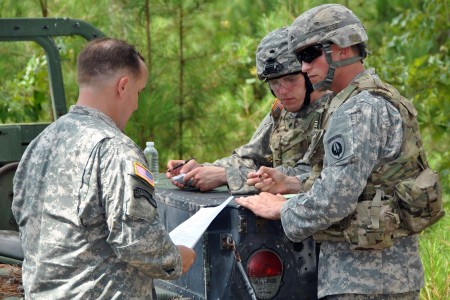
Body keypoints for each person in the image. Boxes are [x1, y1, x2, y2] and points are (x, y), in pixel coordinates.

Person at [236, 4, 442, 299]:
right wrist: (290, 182)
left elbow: (335, 199)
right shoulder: (360, 101)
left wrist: (282, 208)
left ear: (343, 48)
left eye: (309, 55)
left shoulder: (358, 111)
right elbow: (350, 180)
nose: (304, 67)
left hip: (364, 280)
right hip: (380, 276)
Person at [12, 38, 195, 299]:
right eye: (139, 92)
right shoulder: (116, 149)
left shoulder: (41, 143)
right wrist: (176, 258)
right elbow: (137, 239)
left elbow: (22, 215)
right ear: (123, 86)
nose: (136, 104)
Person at [166, 26, 332, 194]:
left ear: (308, 74)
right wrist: (202, 169)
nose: (282, 91)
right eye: (274, 83)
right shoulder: (281, 110)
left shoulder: (334, 111)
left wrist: (226, 176)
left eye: (291, 79)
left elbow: (309, 176)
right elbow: (251, 157)